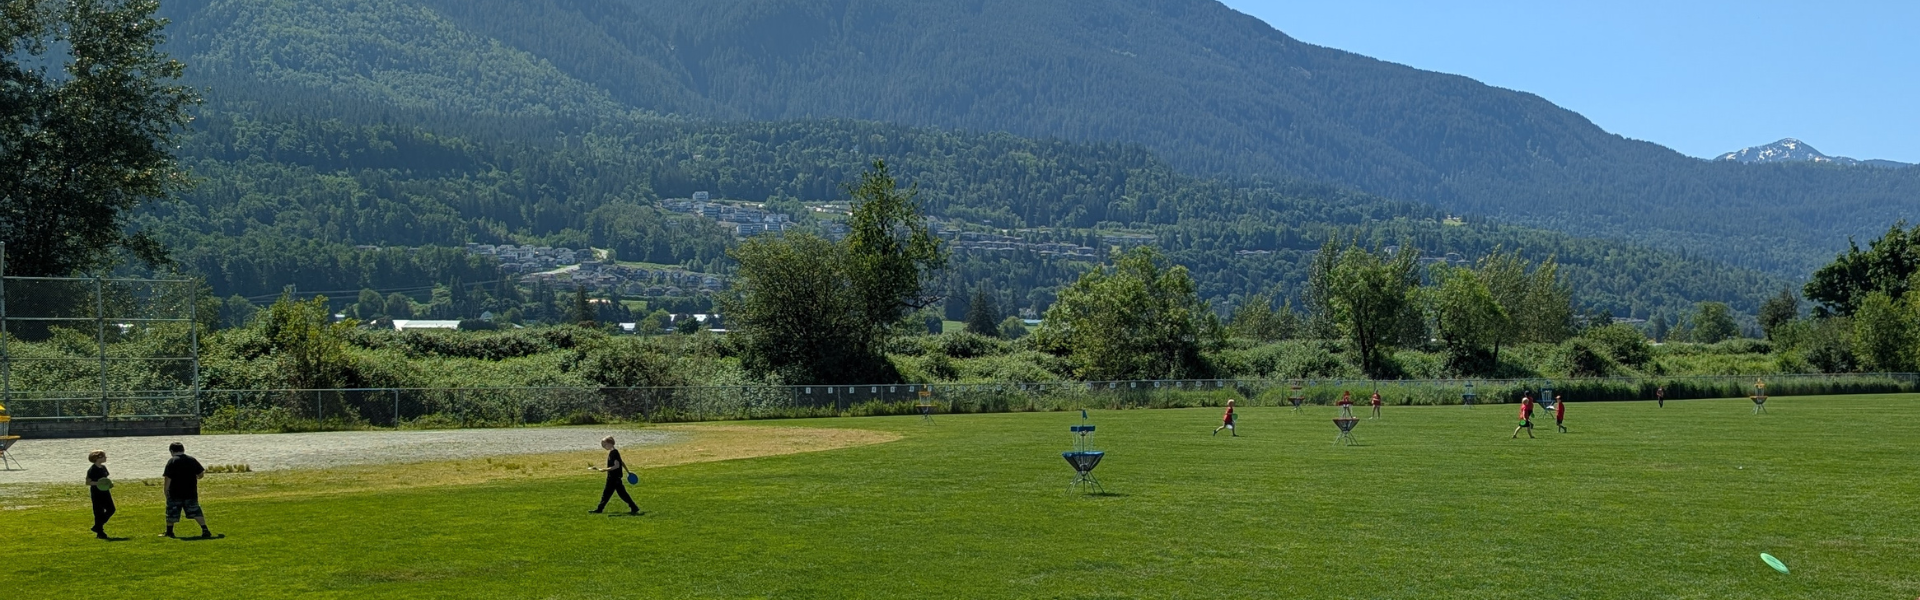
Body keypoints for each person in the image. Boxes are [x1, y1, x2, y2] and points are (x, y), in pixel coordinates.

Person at [161, 442, 212, 538]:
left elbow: (168, 478)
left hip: (175, 492)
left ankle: (169, 532)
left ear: (171, 451)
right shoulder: (191, 460)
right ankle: (205, 529)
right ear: (183, 449)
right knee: (196, 511)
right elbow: (201, 474)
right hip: (190, 492)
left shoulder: (172, 461)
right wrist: (196, 477)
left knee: (172, 513)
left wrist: (166, 491)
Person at [589, 436, 640, 515]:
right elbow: (621, 462)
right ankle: (634, 507)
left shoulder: (614, 453)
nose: (603, 446)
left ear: (610, 443)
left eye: (604, 444)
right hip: (614, 478)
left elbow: (616, 465)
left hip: (614, 478)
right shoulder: (614, 452)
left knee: (612, 494)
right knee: (612, 494)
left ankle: (600, 509)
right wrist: (628, 471)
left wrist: (604, 469)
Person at [85, 450, 115, 540]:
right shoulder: (92, 469)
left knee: (111, 509)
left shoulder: (103, 468)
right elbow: (88, 482)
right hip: (96, 492)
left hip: (105, 491)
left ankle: (97, 526)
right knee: (99, 512)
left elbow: (106, 479)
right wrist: (99, 483)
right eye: (104, 456)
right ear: (97, 458)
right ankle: (100, 532)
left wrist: (109, 484)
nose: (106, 458)